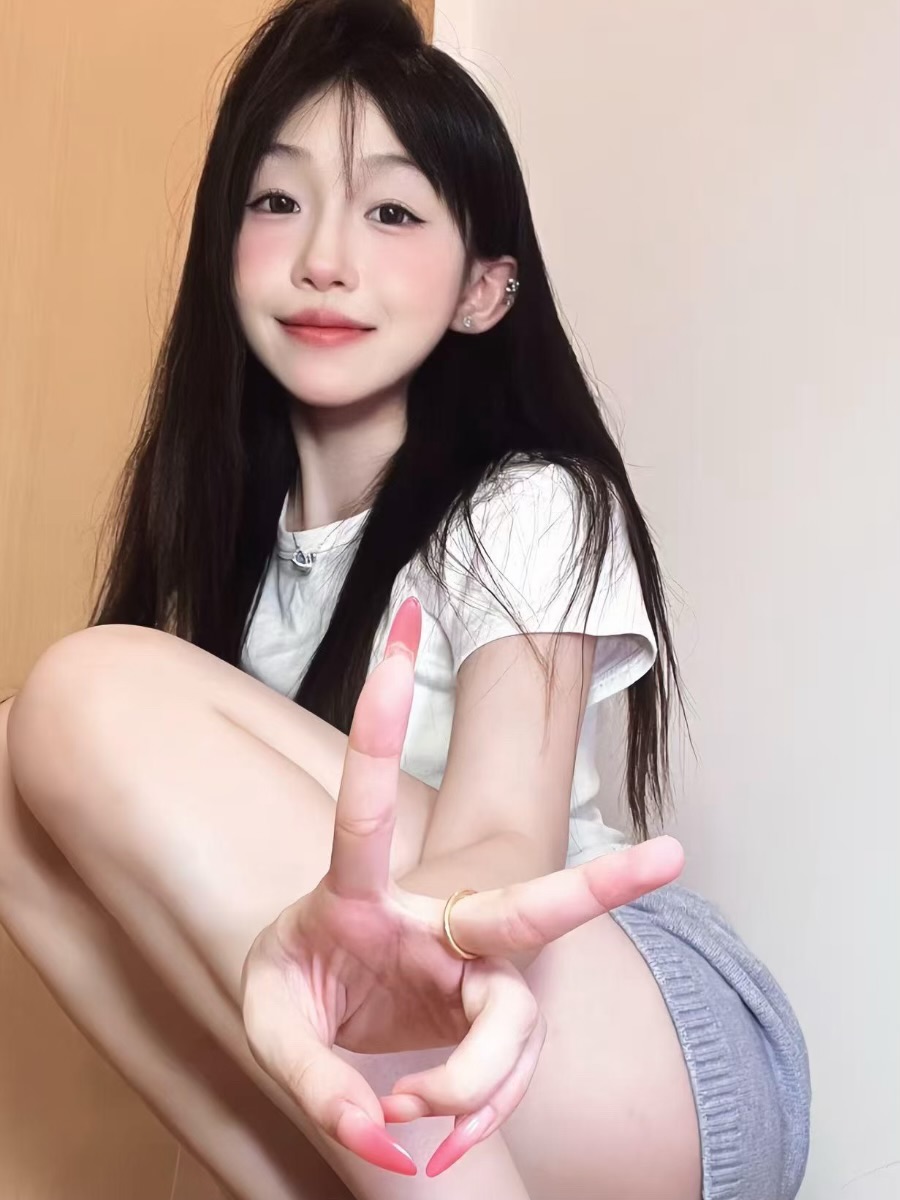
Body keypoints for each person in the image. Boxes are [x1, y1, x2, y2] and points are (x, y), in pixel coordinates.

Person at [0, 1, 811, 1197]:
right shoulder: (226, 561)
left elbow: (503, 836)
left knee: (84, 691)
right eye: (277, 201)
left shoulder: (528, 502)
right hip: (430, 1090)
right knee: (13, 767)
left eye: (390, 212)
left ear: (485, 289)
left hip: (641, 1043)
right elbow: (225, 1002)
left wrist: (386, 944)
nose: (325, 257)